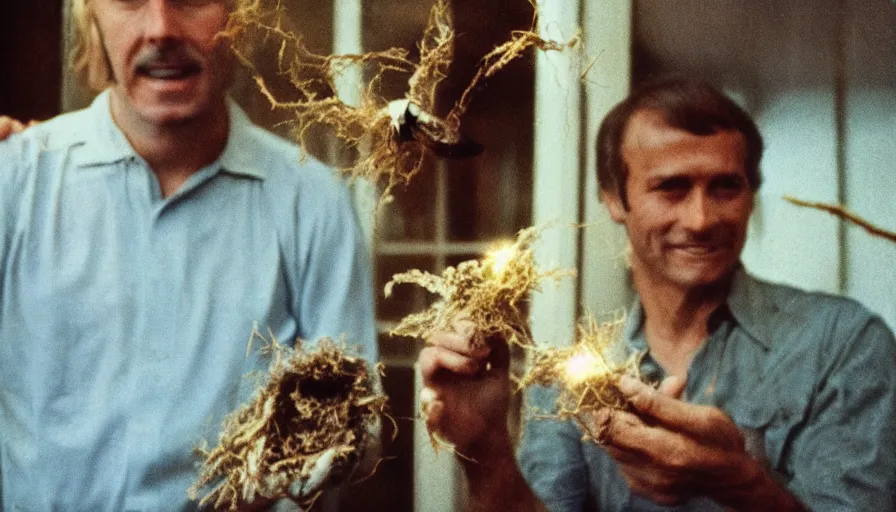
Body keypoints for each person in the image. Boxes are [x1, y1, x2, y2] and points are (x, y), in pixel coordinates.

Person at [419, 77, 896, 511]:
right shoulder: (571, 374)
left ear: (752, 193)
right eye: (671, 188)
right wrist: (485, 451)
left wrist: (742, 483)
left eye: (726, 187)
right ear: (612, 197)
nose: (701, 219)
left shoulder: (844, 345)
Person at [0, 0, 376, 510]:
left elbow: (354, 428)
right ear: (91, 20)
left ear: (242, 16)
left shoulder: (312, 203)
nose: (161, 28)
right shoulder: (15, 181)